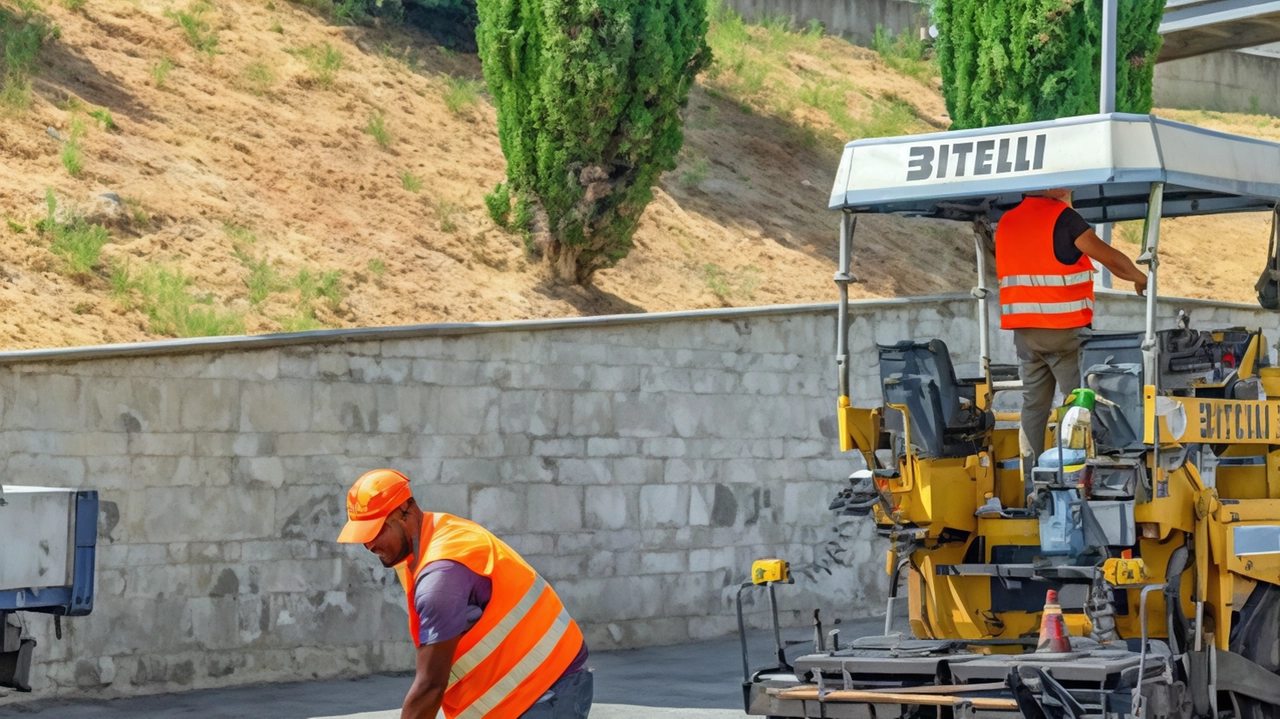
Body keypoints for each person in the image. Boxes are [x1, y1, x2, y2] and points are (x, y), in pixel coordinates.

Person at [337, 469, 592, 719]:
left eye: (376, 531)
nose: (369, 545)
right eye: (363, 536)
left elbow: (430, 687)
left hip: (546, 694)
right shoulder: (432, 537)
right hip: (532, 693)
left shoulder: (441, 576)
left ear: (408, 513)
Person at [994, 189, 1148, 465]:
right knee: (1077, 402)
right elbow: (1109, 258)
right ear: (1059, 187)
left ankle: (1032, 479)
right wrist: (1140, 278)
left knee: (1034, 405)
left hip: (1024, 334)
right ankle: (1066, 474)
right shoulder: (1063, 219)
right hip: (1062, 331)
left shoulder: (1008, 220)